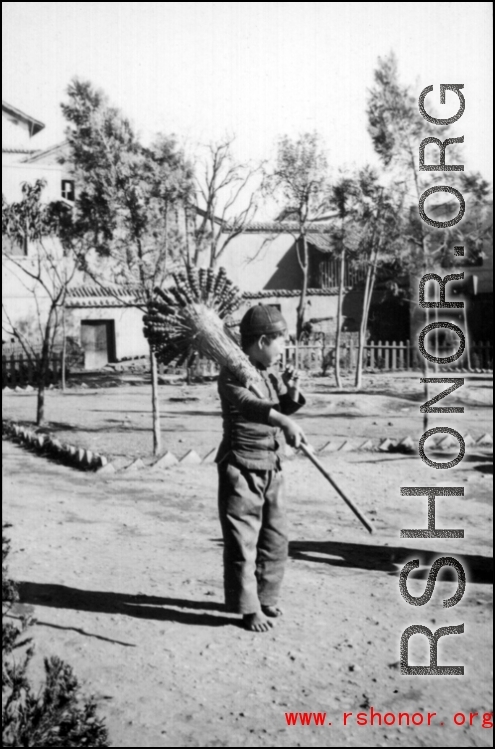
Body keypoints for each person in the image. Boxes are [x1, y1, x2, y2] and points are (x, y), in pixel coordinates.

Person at [215, 304, 307, 632]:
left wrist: (292, 392)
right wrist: (282, 420)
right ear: (263, 341)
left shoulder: (267, 374)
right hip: (241, 467)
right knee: (243, 542)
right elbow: (251, 406)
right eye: (280, 342)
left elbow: (279, 405)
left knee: (275, 537)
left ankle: (267, 597)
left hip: (272, 465)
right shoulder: (231, 373)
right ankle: (248, 608)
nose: (284, 349)